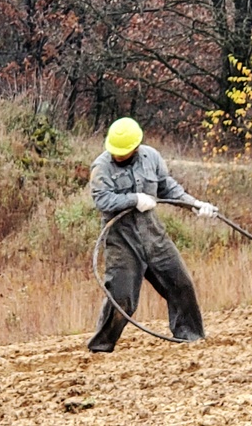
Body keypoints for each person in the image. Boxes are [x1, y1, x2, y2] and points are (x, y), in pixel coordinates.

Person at [87, 117, 219, 352]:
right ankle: (100, 348)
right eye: (115, 152)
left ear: (136, 147)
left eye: (123, 152)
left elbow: (168, 187)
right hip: (122, 240)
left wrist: (195, 204)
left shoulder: (151, 157)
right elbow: (102, 199)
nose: (118, 156)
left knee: (181, 284)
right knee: (122, 298)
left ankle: (190, 338)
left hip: (153, 235)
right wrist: (134, 199)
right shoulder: (101, 167)